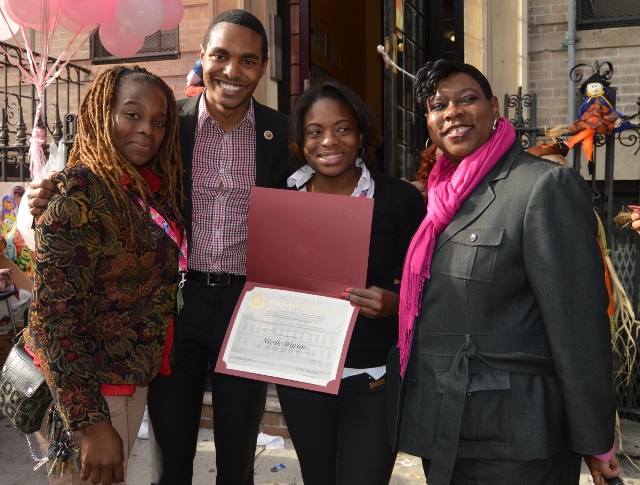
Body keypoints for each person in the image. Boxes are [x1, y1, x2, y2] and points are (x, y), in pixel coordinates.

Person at [28, 10, 288, 485]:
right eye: (221, 56)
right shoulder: (171, 123)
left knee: (237, 452)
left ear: (264, 66)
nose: (233, 71)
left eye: (248, 60)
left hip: (247, 307)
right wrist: (47, 193)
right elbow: (103, 172)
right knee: (172, 455)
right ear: (202, 58)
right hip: (173, 308)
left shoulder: (283, 133)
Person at [390, 59, 620, 485]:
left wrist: (595, 439)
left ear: (494, 107)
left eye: (467, 99)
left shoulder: (542, 186)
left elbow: (578, 326)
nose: (453, 113)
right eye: (438, 105)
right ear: (428, 121)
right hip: (446, 428)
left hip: (515, 439)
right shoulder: (440, 200)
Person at [23, 64, 185, 485]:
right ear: (102, 114)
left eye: (159, 121)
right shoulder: (79, 194)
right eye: (132, 114)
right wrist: (92, 425)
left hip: (129, 381)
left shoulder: (141, 188)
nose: (147, 129)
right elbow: (53, 320)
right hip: (90, 394)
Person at [278, 81, 425, 484]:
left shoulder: (398, 199)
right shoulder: (282, 199)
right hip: (302, 375)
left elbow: (431, 281)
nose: (330, 141)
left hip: (372, 375)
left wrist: (396, 302)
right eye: (315, 131)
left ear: (361, 136)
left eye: (343, 128)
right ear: (299, 142)